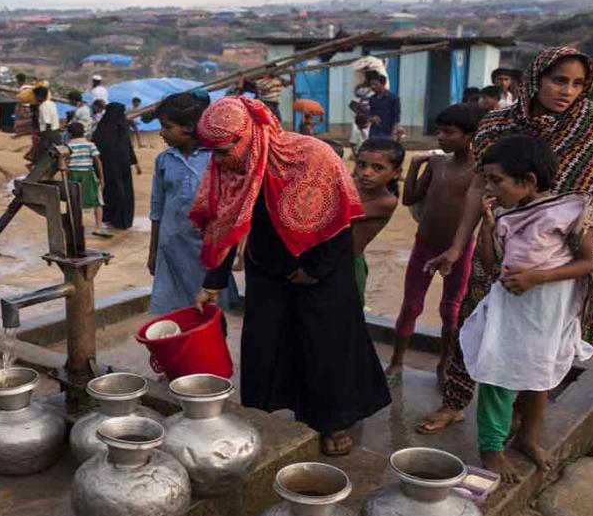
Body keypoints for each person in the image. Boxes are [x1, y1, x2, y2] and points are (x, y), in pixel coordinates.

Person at [418, 46, 593, 435]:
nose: (568, 91)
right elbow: (479, 186)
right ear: (536, 79)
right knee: (477, 318)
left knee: (547, 332)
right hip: (502, 239)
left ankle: (522, 413)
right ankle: (455, 401)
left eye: (578, 84)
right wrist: (457, 245)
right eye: (558, 80)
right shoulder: (498, 124)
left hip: (564, 247)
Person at [192, 96, 391, 456]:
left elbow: (340, 217)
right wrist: (213, 280)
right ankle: (262, 416)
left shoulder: (312, 156)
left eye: (222, 151)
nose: (218, 161)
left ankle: (330, 421)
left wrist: (315, 270)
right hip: (268, 268)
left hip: (322, 270)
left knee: (322, 345)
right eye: (213, 153)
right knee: (265, 344)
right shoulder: (232, 167)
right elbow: (223, 223)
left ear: (246, 135)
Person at [464, 134, 593, 482]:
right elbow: (491, 264)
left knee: (540, 374)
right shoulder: (506, 214)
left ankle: (527, 437)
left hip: (548, 310)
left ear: (528, 181)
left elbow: (588, 263)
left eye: (496, 180)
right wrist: (487, 226)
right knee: (498, 373)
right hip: (511, 309)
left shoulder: (571, 212)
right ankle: (491, 447)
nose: (489, 188)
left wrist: (537, 277)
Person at [392, 104, 485, 386]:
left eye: (449, 132)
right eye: (439, 131)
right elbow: (409, 199)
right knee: (410, 305)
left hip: (458, 251)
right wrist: (414, 166)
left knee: (451, 311)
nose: (440, 137)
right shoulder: (436, 164)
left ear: (470, 136)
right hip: (424, 244)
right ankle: (396, 361)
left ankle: (445, 363)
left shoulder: (480, 172)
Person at [148, 92, 238, 314]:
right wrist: (153, 252)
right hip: (171, 247)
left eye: (167, 127)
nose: (161, 132)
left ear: (188, 127)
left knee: (208, 308)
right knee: (171, 310)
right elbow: (157, 209)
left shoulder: (215, 158)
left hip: (205, 249)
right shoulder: (164, 160)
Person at [350, 138, 403, 308]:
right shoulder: (349, 184)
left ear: (396, 172)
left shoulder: (386, 201)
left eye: (377, 168)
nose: (366, 173)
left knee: (347, 313)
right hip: (327, 259)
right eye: (361, 165)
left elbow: (342, 215)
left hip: (349, 264)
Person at [93, 103, 141, 230]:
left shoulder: (111, 128)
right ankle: (116, 219)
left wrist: (135, 162)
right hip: (113, 166)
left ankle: (118, 219)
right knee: (117, 191)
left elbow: (128, 146)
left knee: (117, 191)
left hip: (117, 166)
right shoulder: (108, 128)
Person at [65, 122, 108, 237]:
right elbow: (97, 161)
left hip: (73, 175)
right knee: (97, 201)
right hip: (88, 174)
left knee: (74, 202)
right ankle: (98, 227)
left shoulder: (67, 146)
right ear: (83, 132)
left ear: (69, 134)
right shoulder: (90, 145)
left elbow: (65, 163)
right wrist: (102, 177)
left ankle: (75, 227)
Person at [368, 73, 401, 139]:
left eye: (375, 84)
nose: (372, 87)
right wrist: (372, 118)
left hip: (388, 132)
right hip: (374, 132)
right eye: (371, 84)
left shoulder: (393, 98)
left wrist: (393, 132)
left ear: (383, 84)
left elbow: (396, 117)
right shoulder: (371, 99)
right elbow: (369, 114)